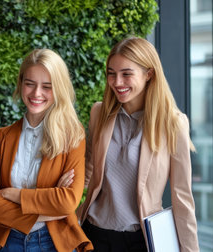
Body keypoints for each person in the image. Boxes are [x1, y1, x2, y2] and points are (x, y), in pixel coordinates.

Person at [77, 36, 199, 251]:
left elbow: (182, 198)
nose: (117, 82)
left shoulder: (173, 123)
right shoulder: (99, 113)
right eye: (111, 74)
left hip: (141, 241)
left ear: (148, 74)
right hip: (94, 235)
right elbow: (86, 171)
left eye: (126, 74)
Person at [0, 49, 93, 252]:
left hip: (52, 242)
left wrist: (16, 195)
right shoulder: (3, 136)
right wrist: (47, 208)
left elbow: (67, 203)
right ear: (21, 83)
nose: (36, 93)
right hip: (6, 241)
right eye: (30, 84)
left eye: (47, 87)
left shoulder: (73, 137)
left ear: (58, 89)